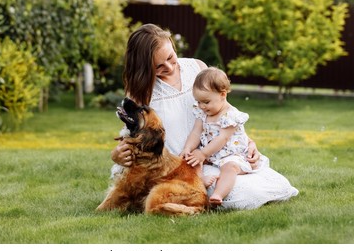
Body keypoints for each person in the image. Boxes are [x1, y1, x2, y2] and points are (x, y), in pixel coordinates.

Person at [110, 23, 298, 210]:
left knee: (273, 182)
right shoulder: (141, 91)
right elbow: (133, 132)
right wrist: (117, 155)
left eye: (170, 57)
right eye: (159, 66)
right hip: (182, 168)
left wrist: (247, 142)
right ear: (144, 67)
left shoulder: (197, 68)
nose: (169, 66)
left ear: (172, 45)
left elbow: (224, 111)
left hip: (218, 153)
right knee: (241, 194)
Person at [181, 67, 259, 206]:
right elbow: (196, 132)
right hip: (211, 155)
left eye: (206, 102)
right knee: (191, 158)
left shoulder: (231, 115)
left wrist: (203, 153)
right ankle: (201, 180)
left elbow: (222, 139)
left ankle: (219, 193)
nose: (202, 106)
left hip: (232, 154)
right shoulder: (203, 112)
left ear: (222, 95)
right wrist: (188, 148)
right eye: (198, 102)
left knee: (230, 168)